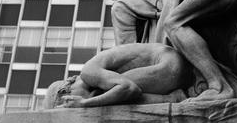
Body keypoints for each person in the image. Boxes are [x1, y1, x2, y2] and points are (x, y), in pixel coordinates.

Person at [44, 43, 191, 109]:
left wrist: (84, 103)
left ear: (67, 91)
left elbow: (129, 88)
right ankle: (174, 97)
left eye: (70, 101)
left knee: (116, 95)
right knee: (108, 96)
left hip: (170, 64)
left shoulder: (88, 72)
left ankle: (174, 99)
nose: (75, 104)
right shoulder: (94, 79)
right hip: (171, 67)